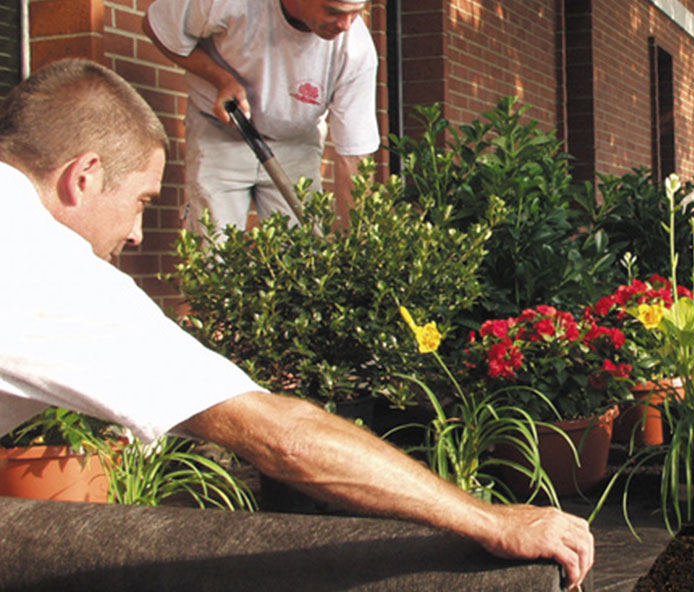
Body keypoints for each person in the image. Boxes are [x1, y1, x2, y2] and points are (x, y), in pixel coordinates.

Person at [0, 58, 593, 587]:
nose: (134, 233)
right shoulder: (42, 264)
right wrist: (489, 518)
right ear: (84, 177)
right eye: (141, 202)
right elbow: (281, 436)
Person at [141, 0, 379, 232]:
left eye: (356, 13)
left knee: (301, 256)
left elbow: (353, 155)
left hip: (297, 142)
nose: (346, 25)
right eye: (333, 11)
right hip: (221, 132)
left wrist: (356, 244)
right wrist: (221, 79)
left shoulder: (355, 49)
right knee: (213, 251)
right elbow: (159, 27)